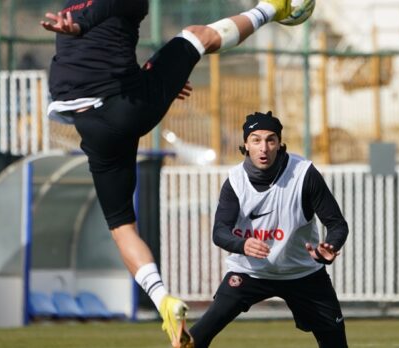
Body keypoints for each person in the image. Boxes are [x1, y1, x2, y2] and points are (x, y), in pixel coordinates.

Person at [40, 1, 312, 347]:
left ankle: (161, 300)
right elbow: (99, 16)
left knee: (122, 228)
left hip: (91, 126)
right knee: (198, 36)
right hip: (125, 107)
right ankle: (273, 8)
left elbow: (96, 39)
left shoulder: (70, 6)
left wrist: (157, 83)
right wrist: (80, 26)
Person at [188, 111, 349, 348]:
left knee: (335, 344)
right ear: (246, 144)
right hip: (250, 272)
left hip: (303, 273)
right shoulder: (235, 181)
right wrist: (243, 245)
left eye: (270, 140)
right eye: (256, 140)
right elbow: (220, 232)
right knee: (197, 336)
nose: (263, 147)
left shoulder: (304, 174)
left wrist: (330, 246)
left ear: (279, 144)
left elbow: (337, 225)